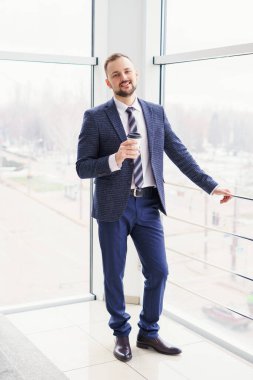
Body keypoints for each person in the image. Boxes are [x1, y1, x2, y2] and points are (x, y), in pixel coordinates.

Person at [76, 53, 232, 362]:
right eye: (117, 74)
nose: (124, 77)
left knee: (159, 271)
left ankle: (148, 332)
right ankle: (121, 333)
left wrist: (211, 185)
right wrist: (115, 159)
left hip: (148, 204)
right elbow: (82, 167)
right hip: (112, 208)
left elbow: (178, 152)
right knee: (113, 275)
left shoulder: (156, 113)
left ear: (136, 75)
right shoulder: (95, 117)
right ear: (108, 82)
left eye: (128, 71)